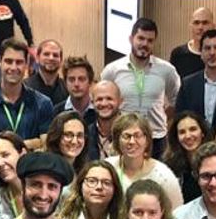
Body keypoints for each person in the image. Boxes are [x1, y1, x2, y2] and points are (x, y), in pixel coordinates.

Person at [101, 18, 181, 159]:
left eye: (150, 40)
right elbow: (102, 101)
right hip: (124, 137)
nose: (145, 44)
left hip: (156, 140)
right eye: (141, 38)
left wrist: (162, 118)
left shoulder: (167, 70)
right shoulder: (112, 70)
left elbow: (177, 100)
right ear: (131, 39)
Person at [0, 38, 54, 161]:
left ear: (27, 64)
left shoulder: (43, 103)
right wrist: (33, 143)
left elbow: (47, 148)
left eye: (19, 62)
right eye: (8, 61)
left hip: (31, 171)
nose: (13, 67)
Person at [105, 113, 183, 209]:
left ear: (147, 140)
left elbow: (177, 212)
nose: (132, 141)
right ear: (117, 141)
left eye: (137, 136)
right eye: (126, 136)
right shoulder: (107, 168)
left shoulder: (163, 175)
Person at [163, 111, 212, 203]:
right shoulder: (170, 166)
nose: (188, 136)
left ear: (202, 133)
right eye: (182, 132)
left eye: (193, 129)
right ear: (177, 137)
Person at [170, 7, 215, 80]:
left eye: (205, 23)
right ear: (191, 26)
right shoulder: (178, 54)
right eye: (196, 23)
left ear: (213, 26)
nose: (200, 27)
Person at [53, 55, 97, 128]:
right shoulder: (56, 112)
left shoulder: (99, 109)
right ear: (65, 83)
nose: (76, 84)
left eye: (81, 79)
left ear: (90, 82)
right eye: (71, 79)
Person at [25, 40, 68, 106]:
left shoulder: (67, 88)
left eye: (55, 55)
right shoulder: (25, 87)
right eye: (46, 54)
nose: (51, 58)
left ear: (61, 61)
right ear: (37, 58)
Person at [45, 111, 88, 175]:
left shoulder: (86, 172)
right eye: (68, 135)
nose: (74, 141)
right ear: (56, 137)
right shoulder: (45, 171)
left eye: (80, 135)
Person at [92, 81, 123, 160]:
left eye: (109, 99)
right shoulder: (85, 135)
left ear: (120, 101)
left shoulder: (131, 133)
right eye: (99, 99)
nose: (104, 103)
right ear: (92, 103)